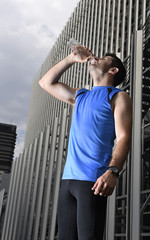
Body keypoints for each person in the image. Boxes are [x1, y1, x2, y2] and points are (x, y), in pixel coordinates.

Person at [39, 47, 132, 240]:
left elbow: (123, 137)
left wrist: (113, 171)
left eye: (104, 58)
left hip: (93, 180)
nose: (96, 58)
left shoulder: (117, 96)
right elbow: (45, 82)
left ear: (112, 70)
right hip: (68, 181)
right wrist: (70, 59)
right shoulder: (80, 95)